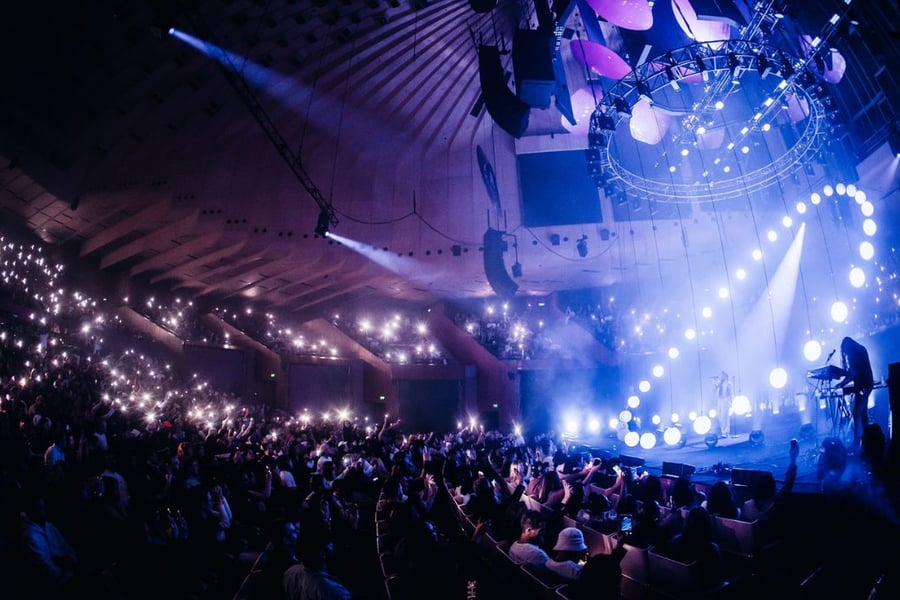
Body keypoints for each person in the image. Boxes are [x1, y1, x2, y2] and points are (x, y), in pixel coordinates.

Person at [836, 336, 874, 453]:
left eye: (845, 351)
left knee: (857, 413)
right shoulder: (860, 349)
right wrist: (843, 382)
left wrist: (842, 383)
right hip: (866, 384)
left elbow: (855, 373)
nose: (845, 354)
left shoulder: (854, 353)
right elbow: (854, 372)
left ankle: (857, 443)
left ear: (847, 348)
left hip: (863, 385)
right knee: (862, 414)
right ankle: (868, 441)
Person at [714, 371, 733, 438]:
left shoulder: (728, 383)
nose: (720, 377)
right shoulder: (719, 383)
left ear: (725, 376)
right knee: (720, 416)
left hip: (725, 399)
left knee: (725, 416)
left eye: (722, 375)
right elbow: (715, 391)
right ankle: (723, 431)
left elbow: (731, 393)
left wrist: (732, 402)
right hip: (719, 400)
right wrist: (716, 383)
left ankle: (725, 432)